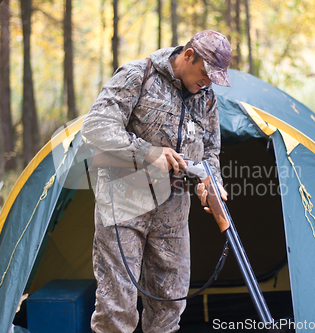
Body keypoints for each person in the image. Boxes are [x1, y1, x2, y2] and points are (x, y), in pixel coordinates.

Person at [81, 30, 232, 333]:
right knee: (117, 306)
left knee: (170, 303)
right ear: (188, 55)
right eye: (205, 73)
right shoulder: (139, 74)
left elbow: (211, 150)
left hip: (173, 210)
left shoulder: (207, 98)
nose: (208, 82)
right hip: (124, 203)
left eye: (215, 78)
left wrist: (210, 181)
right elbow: (96, 126)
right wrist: (147, 151)